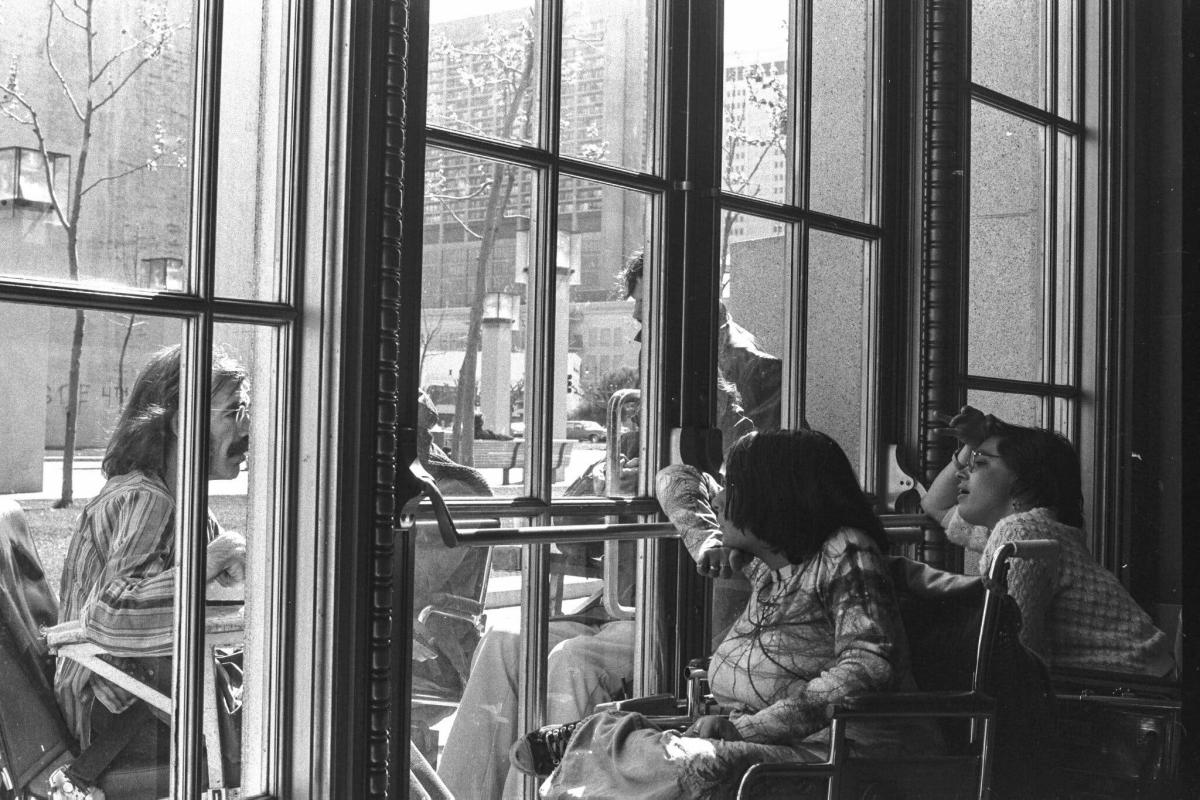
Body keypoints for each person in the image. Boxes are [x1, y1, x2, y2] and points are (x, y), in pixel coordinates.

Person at [511, 429, 939, 798]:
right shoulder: (769, 565)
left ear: (771, 497)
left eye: (732, 490)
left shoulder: (844, 550)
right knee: (618, 730)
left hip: (834, 752)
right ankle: (607, 738)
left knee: (670, 762)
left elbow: (867, 666)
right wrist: (707, 543)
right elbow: (675, 478)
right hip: (759, 741)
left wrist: (749, 729)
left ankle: (602, 743)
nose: (718, 504)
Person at [54, 345, 249, 778]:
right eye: (234, 411)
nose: (248, 426)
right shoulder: (148, 499)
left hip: (152, 704)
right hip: (126, 715)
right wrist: (217, 555)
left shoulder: (184, 504)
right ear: (184, 424)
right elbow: (112, 614)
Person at [921, 406, 1174, 677]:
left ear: (1025, 480)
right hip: (1144, 681)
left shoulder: (1021, 531)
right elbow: (935, 505)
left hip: (1141, 697)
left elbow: (1018, 649)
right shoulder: (1029, 529)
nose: (961, 473)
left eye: (979, 463)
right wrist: (972, 446)